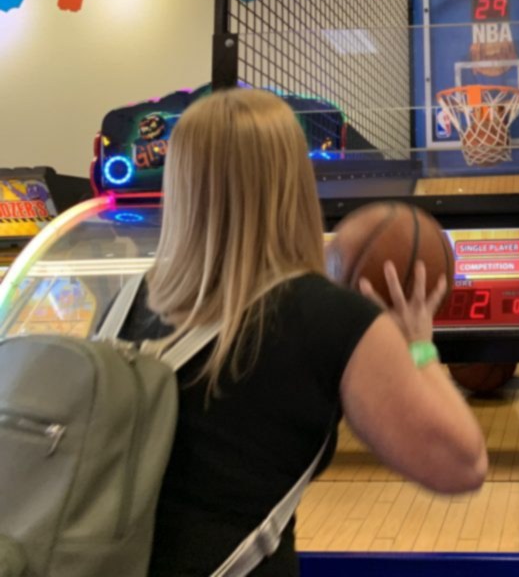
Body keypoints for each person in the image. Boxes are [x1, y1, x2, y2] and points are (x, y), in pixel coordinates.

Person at [117, 88, 487, 576]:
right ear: (293, 181)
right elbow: (461, 465)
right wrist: (418, 343)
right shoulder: (330, 318)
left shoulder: (130, 300)